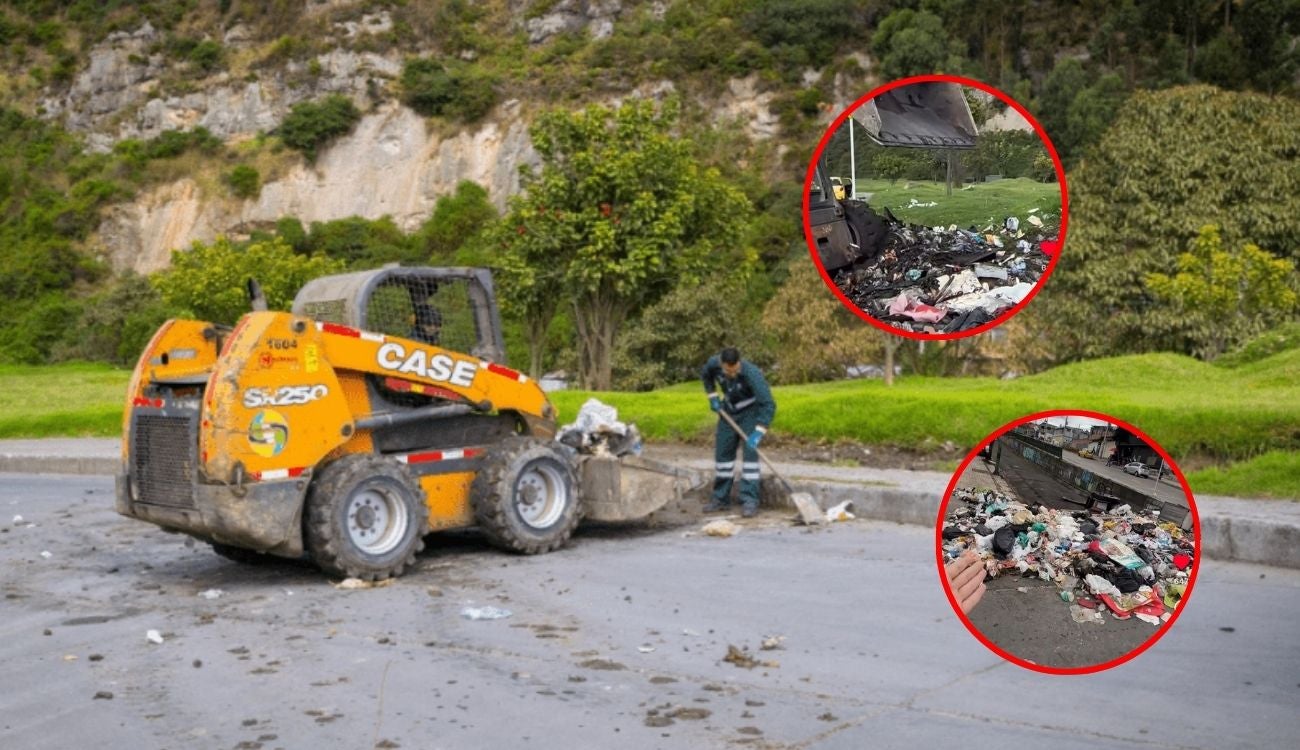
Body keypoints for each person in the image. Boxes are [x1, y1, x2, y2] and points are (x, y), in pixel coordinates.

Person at [701, 347, 775, 518]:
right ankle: (720, 499)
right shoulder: (713, 364)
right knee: (723, 456)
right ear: (722, 364)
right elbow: (706, 376)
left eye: (735, 370)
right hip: (728, 411)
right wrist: (712, 396)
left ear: (739, 363)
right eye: (728, 371)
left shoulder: (752, 374)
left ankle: (750, 500)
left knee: (750, 458)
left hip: (749, 412)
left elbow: (768, 404)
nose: (732, 374)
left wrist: (759, 431)